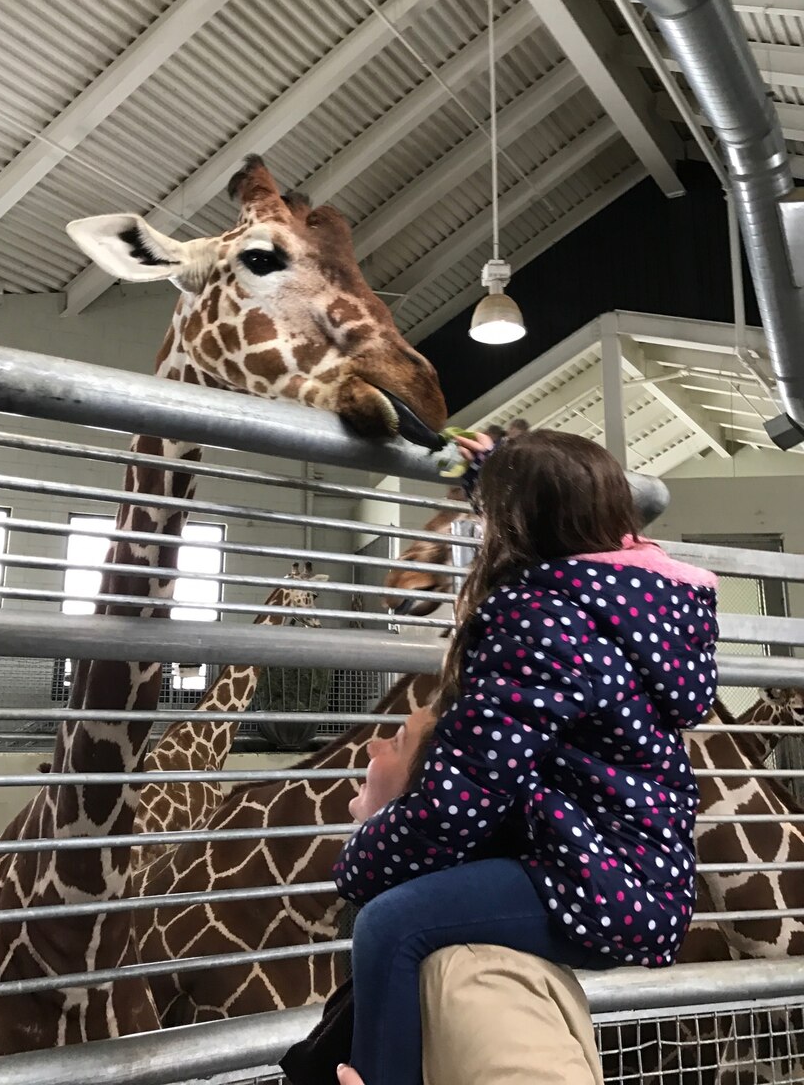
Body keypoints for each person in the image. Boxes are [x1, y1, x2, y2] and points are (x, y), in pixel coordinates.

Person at [288, 428, 719, 1085]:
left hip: (599, 877)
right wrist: (487, 467)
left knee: (388, 922)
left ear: (513, 524)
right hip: (626, 867)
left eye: (490, 512)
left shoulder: (542, 618)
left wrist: (361, 860)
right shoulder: (626, 603)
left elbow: (465, 790)